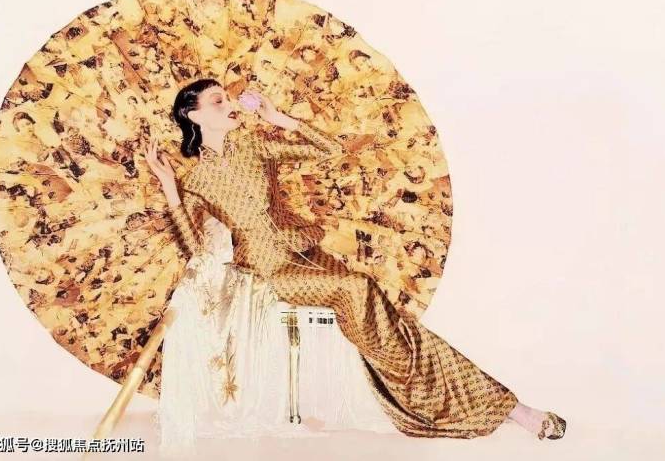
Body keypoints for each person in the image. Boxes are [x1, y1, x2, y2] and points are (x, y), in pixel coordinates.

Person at [144, 78, 566, 441]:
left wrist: (281, 119)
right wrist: (169, 187)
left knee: (387, 320)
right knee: (359, 289)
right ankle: (459, 402)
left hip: (308, 253)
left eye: (228, 96)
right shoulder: (196, 180)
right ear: (194, 116)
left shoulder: (254, 145)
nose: (231, 104)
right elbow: (193, 248)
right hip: (271, 272)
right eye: (218, 101)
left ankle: (481, 402)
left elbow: (330, 149)